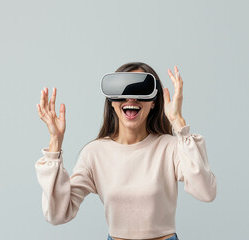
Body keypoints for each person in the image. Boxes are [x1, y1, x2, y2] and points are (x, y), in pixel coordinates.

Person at [34, 62, 217, 240]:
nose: (131, 98)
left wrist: (178, 122)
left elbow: (206, 192)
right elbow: (57, 214)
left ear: (153, 102)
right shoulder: (95, 153)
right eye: (123, 90)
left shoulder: (170, 147)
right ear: (112, 101)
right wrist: (55, 143)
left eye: (140, 90)